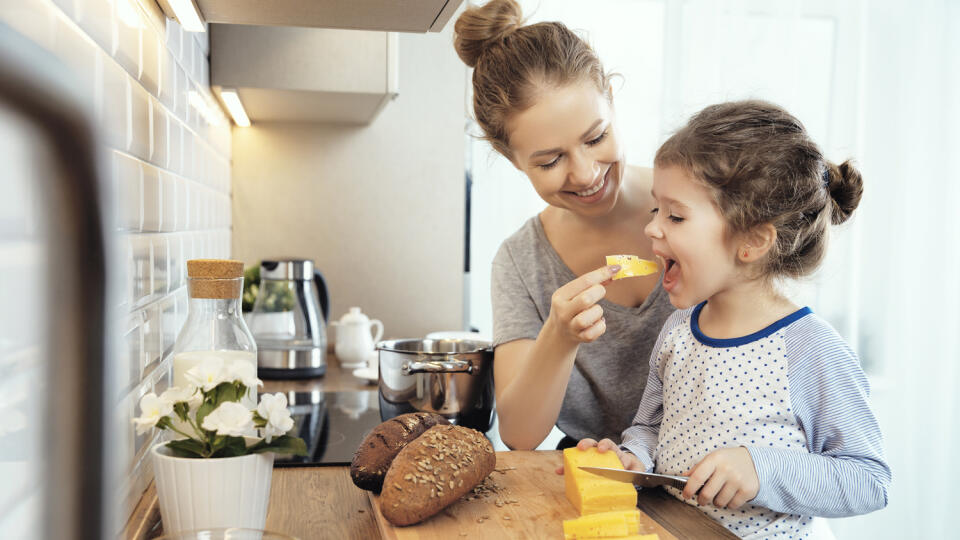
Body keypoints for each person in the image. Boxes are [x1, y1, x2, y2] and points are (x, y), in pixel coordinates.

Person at [578, 100, 891, 538]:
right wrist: (634, 458)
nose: (652, 229)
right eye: (655, 210)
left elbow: (869, 480)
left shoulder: (810, 349)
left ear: (752, 241)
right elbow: (651, 427)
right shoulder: (679, 329)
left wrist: (763, 470)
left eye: (676, 215)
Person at [453, 0, 676, 450]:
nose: (586, 173)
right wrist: (558, 336)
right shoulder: (521, 263)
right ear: (512, 159)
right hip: (593, 480)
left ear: (611, 100)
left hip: (717, 482)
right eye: (550, 161)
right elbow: (519, 435)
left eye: (596, 138)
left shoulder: (701, 207)